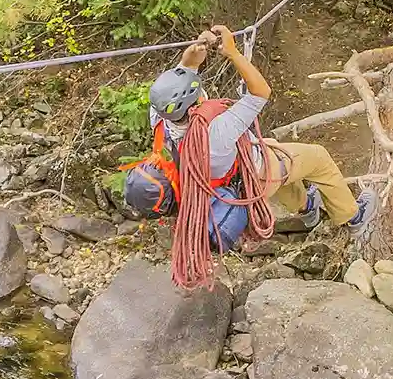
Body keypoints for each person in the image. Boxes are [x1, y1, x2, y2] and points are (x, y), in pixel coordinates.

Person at [121, 24, 372, 248]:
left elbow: (180, 76)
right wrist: (233, 53)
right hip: (255, 175)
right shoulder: (215, 132)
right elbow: (261, 92)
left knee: (277, 155)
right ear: (195, 101)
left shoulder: (162, 122)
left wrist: (192, 57)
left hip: (238, 176)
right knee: (317, 158)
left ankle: (307, 208)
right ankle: (353, 217)